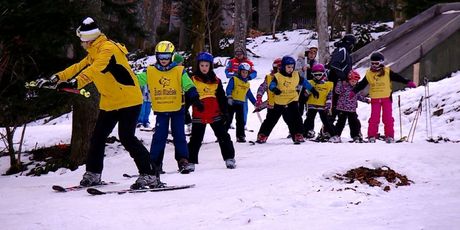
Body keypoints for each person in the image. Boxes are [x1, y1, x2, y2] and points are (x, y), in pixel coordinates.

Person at [35, 17, 160, 189]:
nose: (81, 44)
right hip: (110, 102)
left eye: (82, 40)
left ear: (88, 39)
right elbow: (78, 66)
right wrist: (57, 77)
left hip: (129, 100)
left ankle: (149, 174)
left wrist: (75, 83)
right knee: (97, 138)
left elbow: (94, 70)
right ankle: (93, 174)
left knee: (127, 137)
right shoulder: (94, 50)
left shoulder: (107, 49)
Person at [142, 40, 203, 173]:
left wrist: (195, 97)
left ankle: (183, 161)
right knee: (159, 137)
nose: (164, 60)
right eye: (161, 56)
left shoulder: (179, 70)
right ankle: (155, 163)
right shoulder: (150, 71)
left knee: (179, 135)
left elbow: (188, 85)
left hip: (177, 109)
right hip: (161, 110)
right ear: (156, 56)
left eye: (167, 57)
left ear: (172, 56)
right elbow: (137, 80)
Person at [353, 52, 416, 143]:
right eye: (372, 63)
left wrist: (407, 82)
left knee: (388, 118)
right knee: (374, 118)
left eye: (376, 63)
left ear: (381, 63)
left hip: (386, 98)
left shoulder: (387, 72)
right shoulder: (369, 74)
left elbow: (398, 77)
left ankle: (389, 136)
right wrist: (353, 91)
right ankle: (372, 136)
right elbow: (362, 84)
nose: (374, 66)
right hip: (375, 99)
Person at [187, 52, 236, 171]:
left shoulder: (216, 81)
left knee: (223, 137)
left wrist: (225, 112)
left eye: (206, 65)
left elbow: (221, 98)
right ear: (198, 65)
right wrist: (185, 112)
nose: (204, 68)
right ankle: (190, 161)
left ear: (210, 66)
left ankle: (229, 158)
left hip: (215, 114)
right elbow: (188, 97)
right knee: (196, 139)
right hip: (199, 113)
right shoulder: (192, 79)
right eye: (202, 65)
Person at [256, 56, 318, 144]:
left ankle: (298, 134)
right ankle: (263, 135)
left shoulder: (296, 75)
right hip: (278, 102)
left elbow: (304, 82)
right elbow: (271, 85)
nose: (291, 69)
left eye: (292, 67)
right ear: (283, 67)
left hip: (292, 100)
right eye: (288, 67)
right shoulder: (277, 76)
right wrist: (275, 89)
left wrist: (312, 89)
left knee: (296, 118)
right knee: (271, 119)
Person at [303, 64, 341, 143]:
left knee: (326, 121)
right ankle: (302, 134)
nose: (317, 76)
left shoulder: (327, 84)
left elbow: (329, 96)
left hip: (322, 106)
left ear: (323, 74)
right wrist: (309, 91)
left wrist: (328, 105)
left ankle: (334, 135)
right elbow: (305, 95)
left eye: (319, 74)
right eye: (315, 75)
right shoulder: (309, 83)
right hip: (312, 105)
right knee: (309, 120)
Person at [334, 70, 369, 142]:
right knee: (340, 123)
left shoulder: (356, 88)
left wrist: (366, 100)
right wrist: (340, 82)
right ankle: (336, 135)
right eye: (352, 81)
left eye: (356, 81)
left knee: (354, 123)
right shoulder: (344, 86)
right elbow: (337, 91)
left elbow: (359, 96)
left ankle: (355, 135)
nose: (354, 83)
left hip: (352, 110)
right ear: (349, 80)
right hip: (342, 108)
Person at [226, 63, 257, 143]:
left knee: (240, 121)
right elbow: (229, 88)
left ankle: (240, 136)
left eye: (246, 72)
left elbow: (249, 94)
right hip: (231, 102)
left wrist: (255, 103)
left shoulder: (247, 84)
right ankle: (222, 134)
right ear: (239, 72)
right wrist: (229, 96)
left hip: (240, 104)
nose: (244, 74)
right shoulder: (234, 79)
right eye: (243, 72)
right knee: (228, 119)